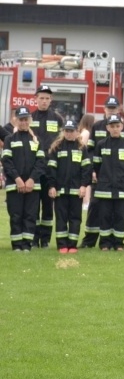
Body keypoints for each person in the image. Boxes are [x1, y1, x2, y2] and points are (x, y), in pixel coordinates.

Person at [81, 96, 124, 248]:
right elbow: (90, 150)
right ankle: (89, 241)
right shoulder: (97, 126)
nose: (111, 111)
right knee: (95, 207)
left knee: (114, 211)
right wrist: (93, 171)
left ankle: (113, 241)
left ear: (118, 109)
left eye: (114, 108)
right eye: (109, 108)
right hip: (100, 176)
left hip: (118, 178)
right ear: (104, 109)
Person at [2, 107, 46, 252]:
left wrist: (32, 179)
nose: (23, 122)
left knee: (30, 215)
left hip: (33, 186)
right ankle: (17, 245)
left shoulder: (36, 140)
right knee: (16, 215)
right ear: (15, 120)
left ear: (30, 120)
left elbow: (41, 162)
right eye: (21, 119)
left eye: (26, 119)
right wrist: (17, 179)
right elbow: (6, 161)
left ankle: (27, 244)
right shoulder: (9, 139)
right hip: (15, 185)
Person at [46, 119, 91, 253]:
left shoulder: (82, 148)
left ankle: (72, 245)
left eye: (71, 131)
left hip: (76, 191)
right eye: (66, 131)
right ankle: (62, 245)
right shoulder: (57, 147)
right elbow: (51, 169)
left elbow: (86, 169)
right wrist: (51, 186)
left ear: (77, 132)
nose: (69, 133)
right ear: (63, 131)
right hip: (60, 191)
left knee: (75, 219)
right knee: (61, 218)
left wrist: (83, 185)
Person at [92, 114, 124, 252]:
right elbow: (97, 165)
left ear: (122, 127)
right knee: (105, 215)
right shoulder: (101, 144)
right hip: (104, 187)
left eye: (117, 126)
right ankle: (105, 243)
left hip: (122, 187)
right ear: (107, 128)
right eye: (112, 126)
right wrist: (103, 178)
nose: (115, 129)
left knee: (120, 216)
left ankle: (119, 243)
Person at [30, 84, 65, 248]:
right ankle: (34, 238)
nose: (44, 101)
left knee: (48, 205)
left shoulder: (58, 119)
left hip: (51, 168)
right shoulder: (30, 118)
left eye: (47, 98)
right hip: (34, 168)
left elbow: (62, 141)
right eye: (41, 98)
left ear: (51, 100)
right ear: (36, 99)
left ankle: (45, 240)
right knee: (33, 205)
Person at [77, 113, 95, 211]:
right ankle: (86, 202)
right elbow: (82, 147)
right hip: (84, 160)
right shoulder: (87, 133)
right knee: (87, 182)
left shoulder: (81, 132)